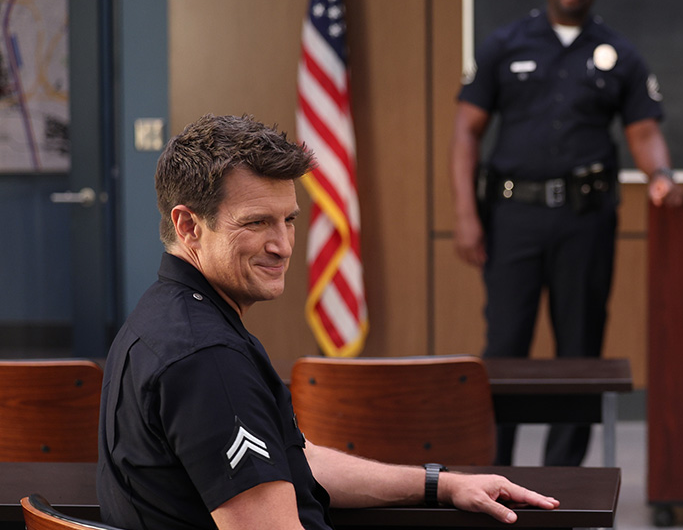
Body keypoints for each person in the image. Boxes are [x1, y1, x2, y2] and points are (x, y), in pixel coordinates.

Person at [97, 114, 559, 530]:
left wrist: (441, 484)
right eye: (257, 223)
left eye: (289, 220)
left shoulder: (162, 316)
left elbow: (293, 462)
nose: (282, 246)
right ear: (189, 226)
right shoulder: (207, 361)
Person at [450, 0, 683, 467]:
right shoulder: (504, 45)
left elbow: (644, 132)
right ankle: (492, 471)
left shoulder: (620, 54)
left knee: (580, 350)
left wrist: (662, 174)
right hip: (513, 218)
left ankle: (563, 482)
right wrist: (465, 214)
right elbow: (466, 133)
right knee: (504, 347)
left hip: (587, 220)